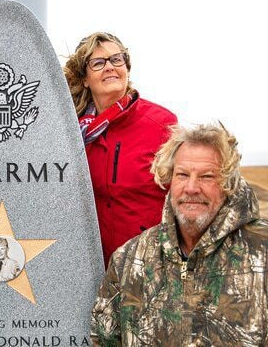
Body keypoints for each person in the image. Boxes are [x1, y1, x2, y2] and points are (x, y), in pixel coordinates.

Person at [90, 123, 268, 345]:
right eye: (182, 175)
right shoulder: (128, 259)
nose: (192, 188)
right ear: (169, 179)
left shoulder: (262, 252)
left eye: (206, 176)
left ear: (228, 183)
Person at [64, 32, 178, 266]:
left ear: (126, 68)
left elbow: (182, 195)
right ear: (84, 78)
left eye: (117, 59)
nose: (109, 67)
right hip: (94, 268)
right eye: (97, 63)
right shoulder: (73, 133)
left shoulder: (162, 124)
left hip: (150, 265)